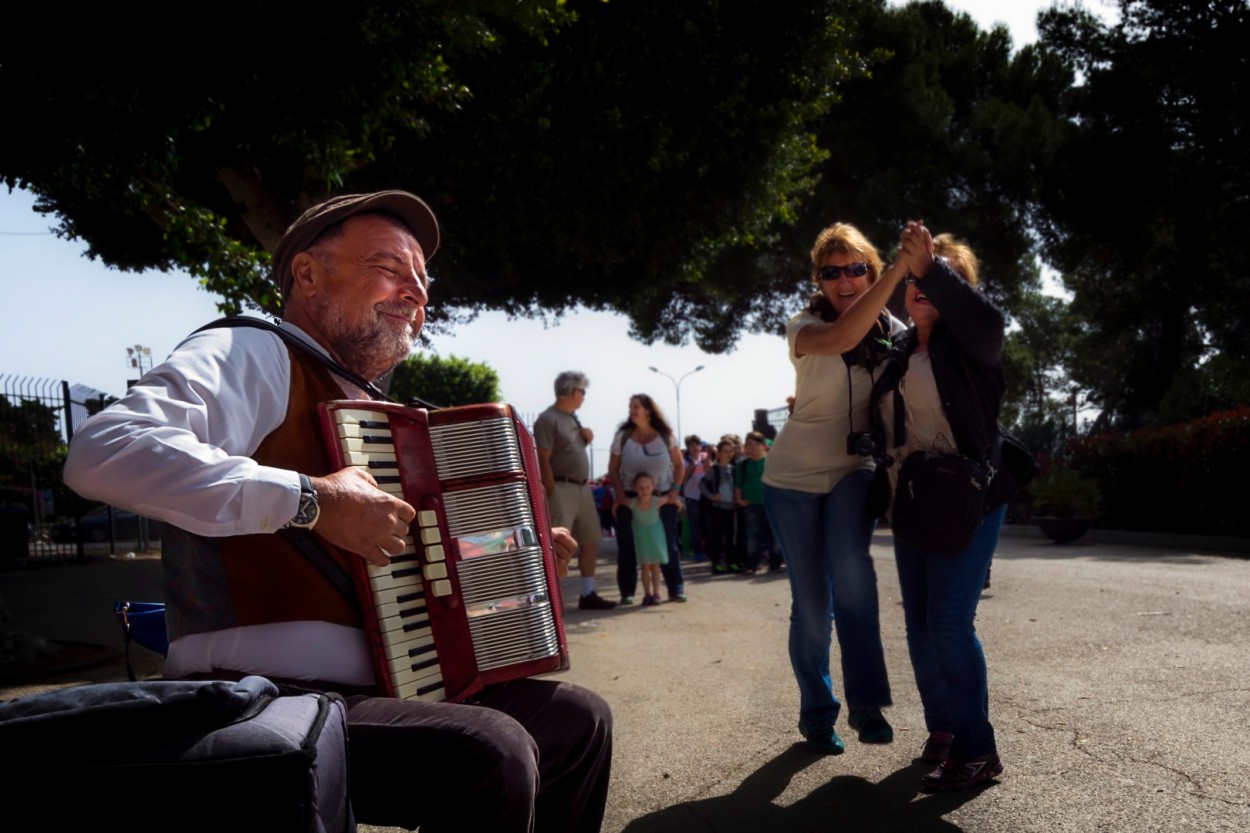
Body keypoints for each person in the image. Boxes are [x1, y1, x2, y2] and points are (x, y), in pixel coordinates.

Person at [63, 190, 613, 833]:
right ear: (307, 275)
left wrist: (519, 556)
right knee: (491, 752)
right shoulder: (256, 351)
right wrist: (310, 500)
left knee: (579, 722)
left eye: (422, 280)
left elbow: (422, 562)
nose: (415, 292)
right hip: (263, 691)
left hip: (389, 690)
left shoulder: (380, 413)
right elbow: (106, 450)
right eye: (389, 266)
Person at [871, 225, 1010, 791]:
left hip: (967, 499)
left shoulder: (974, 345)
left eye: (938, 272)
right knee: (919, 627)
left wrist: (933, 266)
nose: (921, 281)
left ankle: (979, 750)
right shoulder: (899, 351)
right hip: (912, 500)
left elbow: (988, 320)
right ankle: (946, 733)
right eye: (915, 276)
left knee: (950, 623)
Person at [761, 221, 907, 755]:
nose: (845, 280)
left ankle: (867, 706)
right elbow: (845, 336)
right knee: (813, 604)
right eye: (832, 272)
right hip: (791, 480)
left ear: (868, 266)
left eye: (856, 267)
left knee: (851, 577)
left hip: (853, 469)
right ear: (819, 281)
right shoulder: (803, 326)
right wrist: (895, 270)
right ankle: (818, 713)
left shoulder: (894, 332)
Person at [534, 371, 616, 610]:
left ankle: (588, 592)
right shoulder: (548, 419)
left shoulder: (573, 418)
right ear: (571, 390)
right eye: (582, 391)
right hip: (561, 487)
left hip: (582, 488)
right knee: (558, 545)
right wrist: (552, 492)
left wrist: (586, 439)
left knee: (590, 541)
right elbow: (542, 458)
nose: (584, 397)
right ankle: (552, 601)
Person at [607, 394, 686, 604]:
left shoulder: (665, 436)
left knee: (668, 543)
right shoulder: (622, 437)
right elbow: (613, 469)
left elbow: (679, 465)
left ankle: (675, 589)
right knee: (627, 546)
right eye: (630, 406)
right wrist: (620, 495)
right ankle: (627, 592)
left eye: (636, 407)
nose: (632, 410)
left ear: (648, 410)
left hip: (662, 499)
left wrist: (674, 492)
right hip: (630, 500)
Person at [734, 431, 782, 574]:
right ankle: (752, 564)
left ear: (763, 446)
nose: (753, 447)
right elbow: (738, 484)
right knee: (753, 536)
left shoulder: (772, 462)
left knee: (775, 535)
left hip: (772, 504)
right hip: (752, 505)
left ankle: (775, 564)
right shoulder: (742, 465)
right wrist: (739, 499)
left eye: (756, 444)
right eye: (749, 444)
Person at [628, 472, 669, 606]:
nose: (644, 491)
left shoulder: (657, 501)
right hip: (641, 538)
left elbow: (670, 498)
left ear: (653, 487)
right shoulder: (633, 503)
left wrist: (679, 504)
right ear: (635, 488)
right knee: (645, 567)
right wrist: (614, 507)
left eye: (647, 487)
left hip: (655, 537)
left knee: (655, 567)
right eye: (640, 488)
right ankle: (647, 593)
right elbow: (620, 501)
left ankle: (656, 593)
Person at [699, 438, 739, 574]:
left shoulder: (734, 469)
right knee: (717, 537)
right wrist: (711, 496)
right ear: (719, 454)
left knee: (730, 537)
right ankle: (716, 564)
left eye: (730, 451)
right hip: (717, 508)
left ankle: (732, 562)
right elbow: (701, 484)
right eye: (725, 451)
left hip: (731, 508)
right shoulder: (714, 470)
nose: (728, 454)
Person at [679, 435, 707, 561]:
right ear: (688, 448)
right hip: (692, 497)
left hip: (706, 497)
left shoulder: (705, 459)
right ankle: (696, 551)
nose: (695, 447)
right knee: (694, 526)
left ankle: (707, 550)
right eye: (691, 445)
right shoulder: (684, 462)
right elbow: (681, 481)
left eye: (697, 445)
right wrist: (689, 470)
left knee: (706, 525)